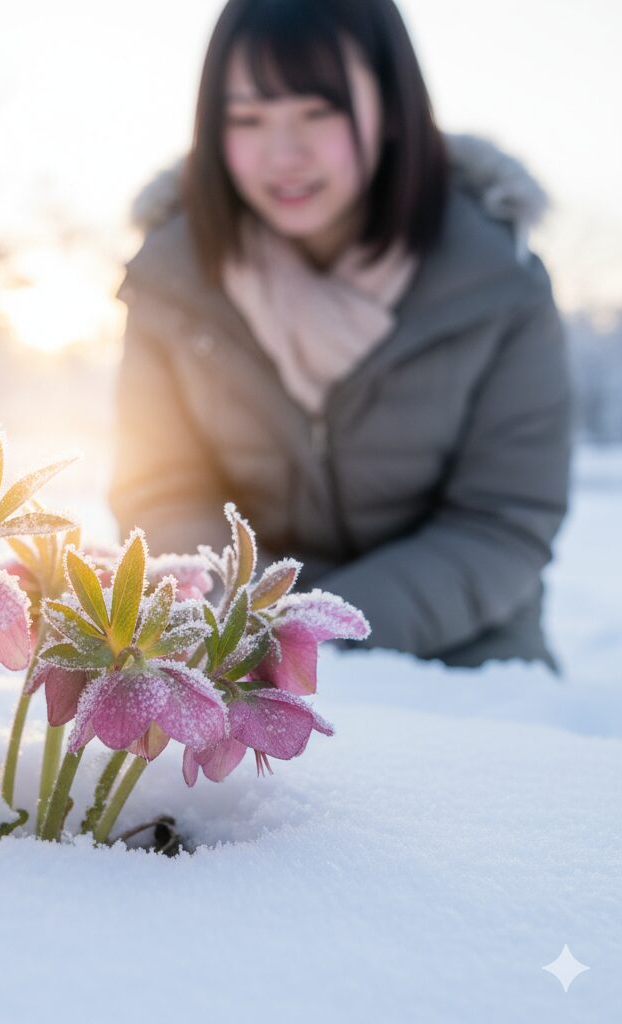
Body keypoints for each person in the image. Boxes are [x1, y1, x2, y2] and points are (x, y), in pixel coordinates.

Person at [109, 0, 572, 669]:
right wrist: (249, 635)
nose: (283, 155)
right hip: (233, 660)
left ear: (393, 107)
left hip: (465, 667)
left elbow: (503, 521)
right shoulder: (170, 282)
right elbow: (160, 489)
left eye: (318, 112)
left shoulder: (498, 280)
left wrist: (314, 638)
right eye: (247, 118)